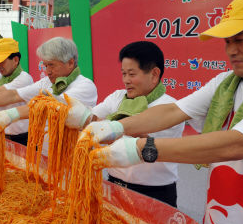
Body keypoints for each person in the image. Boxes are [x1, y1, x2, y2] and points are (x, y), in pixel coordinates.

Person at [82, 0, 243, 224]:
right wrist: (115, 127)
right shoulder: (226, 82)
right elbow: (173, 111)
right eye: (227, 42)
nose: (231, 51)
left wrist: (139, 149)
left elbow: (238, 144)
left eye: (240, 40)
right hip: (223, 207)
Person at [66, 41, 184, 206]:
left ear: (154, 74)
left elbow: (144, 143)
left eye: (132, 74)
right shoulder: (118, 97)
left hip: (153, 193)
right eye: (123, 74)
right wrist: (81, 116)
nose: (126, 80)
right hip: (114, 185)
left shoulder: (170, 108)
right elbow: (93, 119)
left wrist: (106, 127)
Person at [0, 37, 97, 150]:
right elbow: (14, 95)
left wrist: (10, 114)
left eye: (52, 65)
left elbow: (50, 106)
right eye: (45, 66)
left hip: (71, 155)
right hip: (44, 151)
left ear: (70, 63)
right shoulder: (46, 82)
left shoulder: (84, 86)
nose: (48, 71)